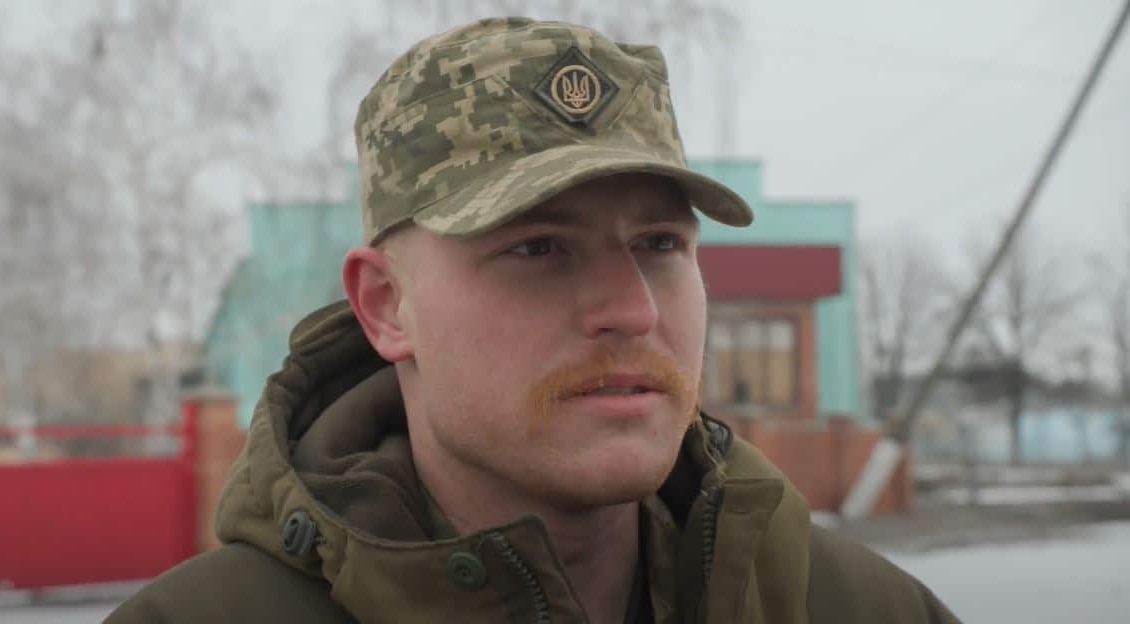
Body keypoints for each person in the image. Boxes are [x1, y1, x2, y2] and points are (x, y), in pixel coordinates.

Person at [108, 17, 958, 623]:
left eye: (660, 243)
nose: (633, 309)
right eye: (539, 250)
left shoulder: (858, 607)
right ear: (386, 306)